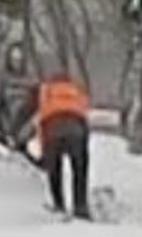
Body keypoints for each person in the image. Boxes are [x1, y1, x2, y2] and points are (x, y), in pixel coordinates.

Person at [9, 71, 92, 220]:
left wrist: (13, 132)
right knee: (79, 171)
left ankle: (59, 206)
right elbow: (83, 117)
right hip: (77, 133)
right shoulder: (77, 90)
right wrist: (84, 145)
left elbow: (25, 111)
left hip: (53, 134)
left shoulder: (44, 89)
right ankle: (81, 207)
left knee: (54, 171)